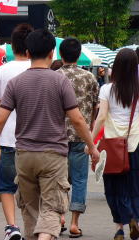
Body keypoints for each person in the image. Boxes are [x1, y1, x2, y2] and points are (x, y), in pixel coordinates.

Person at [0, 29, 100, 240]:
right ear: (52, 53)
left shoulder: (16, 82)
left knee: (30, 209)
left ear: (27, 52)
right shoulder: (59, 81)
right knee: (52, 208)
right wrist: (92, 147)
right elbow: (78, 119)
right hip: (53, 154)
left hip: (24, 155)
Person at [0, 23, 33, 240]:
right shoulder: (42, 70)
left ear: (13, 47)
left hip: (8, 139)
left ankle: (12, 227)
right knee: (34, 186)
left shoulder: (2, 71)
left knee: (6, 186)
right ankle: (36, 225)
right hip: (38, 141)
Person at [90, 48, 139, 240]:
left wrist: (91, 142)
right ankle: (135, 217)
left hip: (112, 146)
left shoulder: (107, 89)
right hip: (136, 143)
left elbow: (101, 118)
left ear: (116, 67)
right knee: (134, 185)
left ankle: (119, 227)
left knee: (113, 187)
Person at [57, 38, 99, 238]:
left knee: (58, 179)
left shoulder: (54, 76)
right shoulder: (89, 77)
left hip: (57, 138)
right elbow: (95, 106)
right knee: (80, 180)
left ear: (60, 54)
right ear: (79, 54)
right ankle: (74, 223)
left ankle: (60, 219)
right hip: (82, 137)